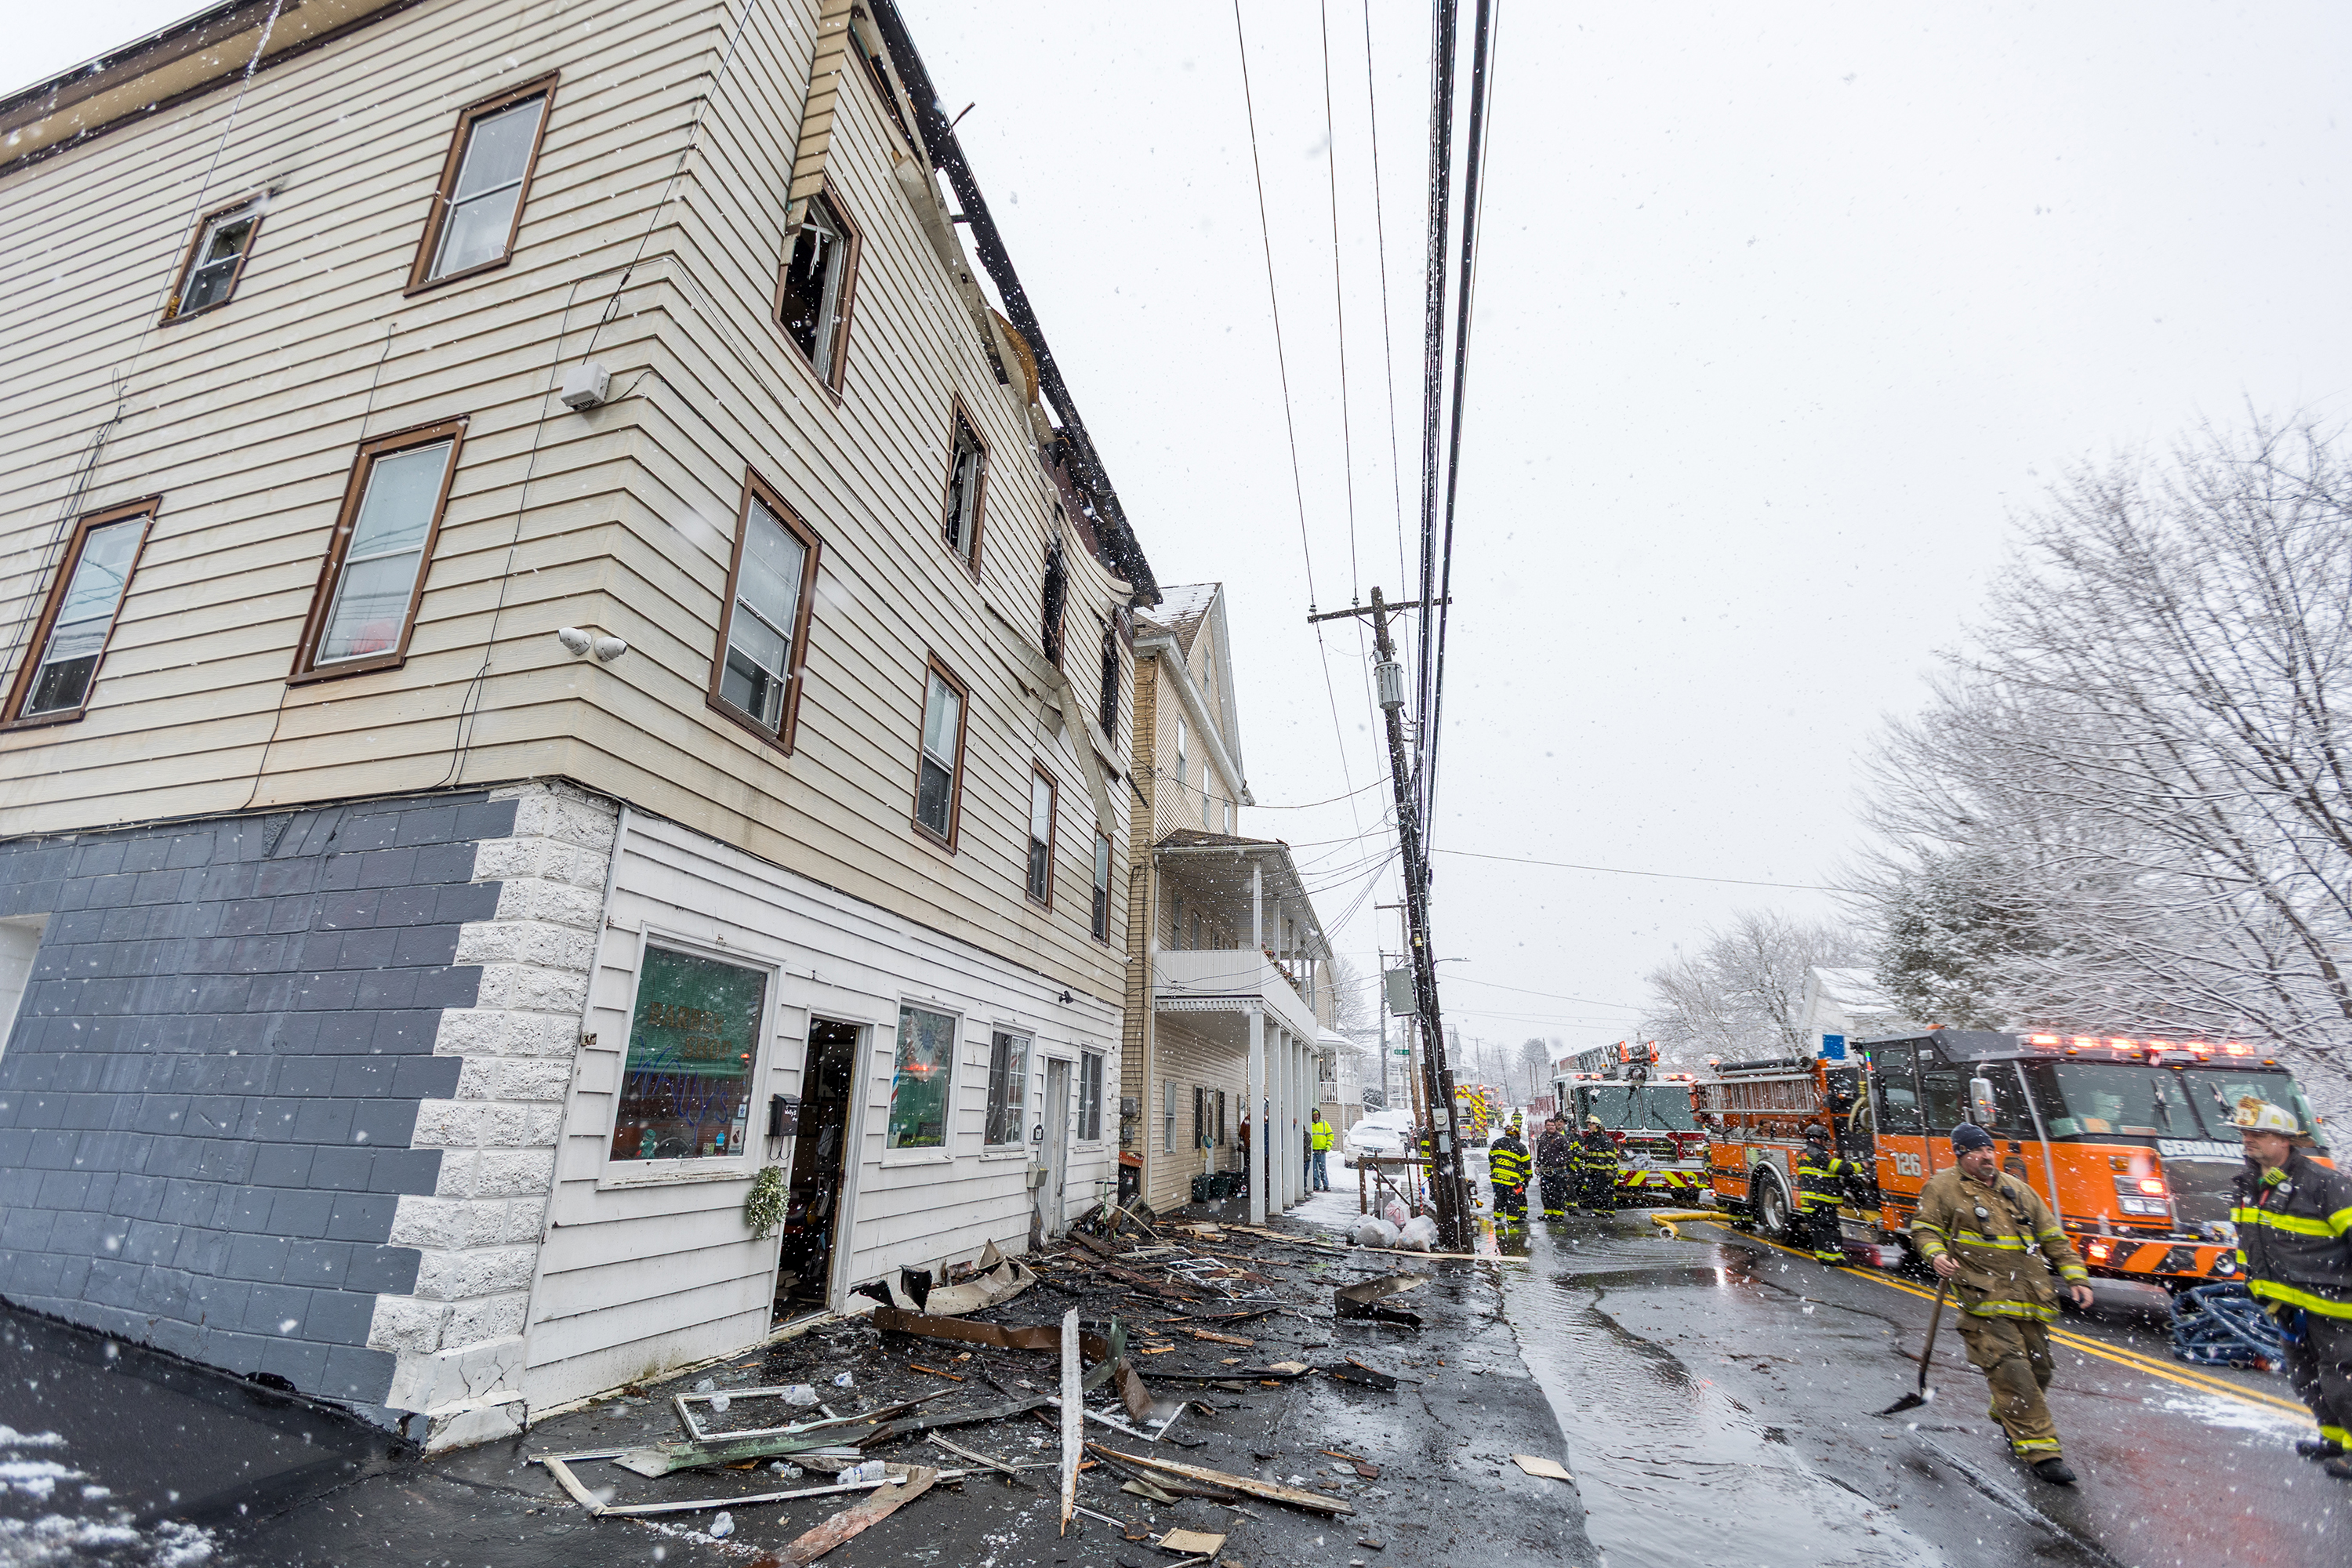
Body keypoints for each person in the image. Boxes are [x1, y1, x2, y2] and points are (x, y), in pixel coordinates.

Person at [1910, 1121, 2094, 1486]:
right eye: (1977, 1151)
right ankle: (2043, 1454)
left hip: (2029, 1297)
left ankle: (2007, 1410)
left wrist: (2077, 1277)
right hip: (1983, 1300)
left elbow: (2053, 1237)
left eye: (1989, 1150)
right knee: (2014, 1373)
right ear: (1961, 1154)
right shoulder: (1943, 1187)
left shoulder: (2019, 1189)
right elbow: (1924, 1229)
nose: (1986, 1156)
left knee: (2040, 1371)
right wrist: (1936, 1255)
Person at [2228, 1098, 2352, 1480]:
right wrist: (2255, 1286)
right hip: (2286, 1305)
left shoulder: (2324, 1184)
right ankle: (2334, 1439)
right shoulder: (2248, 1185)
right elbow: (2249, 1242)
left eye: (2258, 1133)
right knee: (2306, 1377)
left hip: (2334, 1306)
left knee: (2342, 1379)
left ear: (2285, 1140)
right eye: (2245, 1133)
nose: (2248, 1139)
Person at [1796, 1124, 1857, 1265]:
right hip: (1822, 1201)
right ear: (1818, 1139)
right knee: (1830, 1230)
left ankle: (1823, 1257)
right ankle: (1834, 1259)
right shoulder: (1819, 1154)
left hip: (1808, 1201)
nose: (1825, 1143)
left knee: (1817, 1230)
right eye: (1824, 1140)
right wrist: (1862, 1166)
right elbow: (1842, 1168)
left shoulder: (1801, 1154)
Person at [1573, 1116, 1618, 1216]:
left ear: (1598, 1126)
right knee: (1594, 1192)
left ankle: (1609, 1211)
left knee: (1606, 1192)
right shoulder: (1588, 1139)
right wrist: (1583, 1156)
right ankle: (1597, 1210)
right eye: (1588, 1125)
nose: (1589, 1126)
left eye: (1591, 1125)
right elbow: (1585, 1152)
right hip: (1592, 1172)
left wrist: (1609, 1171)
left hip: (1603, 1172)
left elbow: (1611, 1157)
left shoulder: (1606, 1140)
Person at [1534, 1115, 1575, 1221]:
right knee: (1546, 1193)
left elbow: (1568, 1155)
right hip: (1545, 1171)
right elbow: (1540, 1153)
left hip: (1558, 1170)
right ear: (1545, 1126)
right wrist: (1538, 1165)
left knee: (1558, 1193)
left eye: (1553, 1125)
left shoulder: (1561, 1138)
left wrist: (1561, 1163)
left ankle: (1558, 1215)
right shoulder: (1543, 1138)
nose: (1551, 1127)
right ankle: (1548, 1213)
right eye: (1549, 1125)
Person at [1488, 1122, 1531, 1221]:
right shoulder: (1520, 1147)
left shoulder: (1497, 1143)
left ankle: (1498, 1216)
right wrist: (1528, 1176)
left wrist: (1494, 1170)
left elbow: (1491, 1158)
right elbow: (1527, 1163)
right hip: (1513, 1180)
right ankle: (1513, 1219)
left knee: (1499, 1198)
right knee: (1513, 1198)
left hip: (1498, 1178)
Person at [1309, 1110, 1335, 1192]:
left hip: (1322, 1150)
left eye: (1317, 1114)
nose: (1316, 1116)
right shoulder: (1310, 1124)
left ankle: (1326, 1185)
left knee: (1322, 1169)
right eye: (1314, 1115)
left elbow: (1330, 1135)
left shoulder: (1324, 1123)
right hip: (1313, 1151)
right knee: (1314, 1170)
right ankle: (1316, 1185)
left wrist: (1328, 1145)